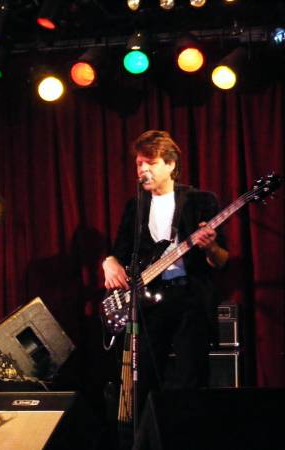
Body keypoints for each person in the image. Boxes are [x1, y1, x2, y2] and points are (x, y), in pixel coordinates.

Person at [102, 130, 229, 422]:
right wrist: (108, 262)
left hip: (190, 300)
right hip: (148, 303)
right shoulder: (135, 206)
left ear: (170, 164)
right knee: (145, 378)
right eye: (138, 164)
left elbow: (222, 259)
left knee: (189, 379)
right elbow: (118, 252)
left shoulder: (201, 201)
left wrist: (210, 247)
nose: (142, 169)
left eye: (150, 162)